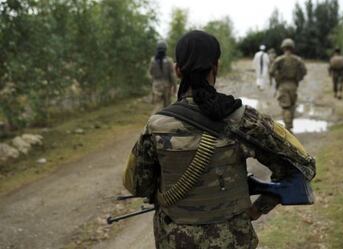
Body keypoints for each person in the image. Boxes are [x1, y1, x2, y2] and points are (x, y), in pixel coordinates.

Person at [123, 31, 316, 249]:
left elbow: (137, 185)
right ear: (216, 66)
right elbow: (303, 165)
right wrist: (258, 208)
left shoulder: (156, 125)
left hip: (174, 241)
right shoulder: (243, 120)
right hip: (233, 241)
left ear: (177, 70)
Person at [270, 38, 307, 132]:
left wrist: (277, 77)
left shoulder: (279, 60)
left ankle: (288, 128)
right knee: (292, 106)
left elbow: (271, 71)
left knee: (285, 107)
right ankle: (290, 125)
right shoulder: (298, 60)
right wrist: (299, 78)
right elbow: (304, 71)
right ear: (292, 48)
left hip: (283, 85)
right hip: (294, 85)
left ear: (283, 48)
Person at [149, 41, 176, 109]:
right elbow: (172, 75)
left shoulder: (153, 60)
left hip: (156, 85)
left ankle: (156, 118)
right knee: (168, 106)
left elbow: (151, 73)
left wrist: (152, 83)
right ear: (165, 49)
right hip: (167, 85)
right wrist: (174, 86)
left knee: (158, 105)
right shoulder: (169, 60)